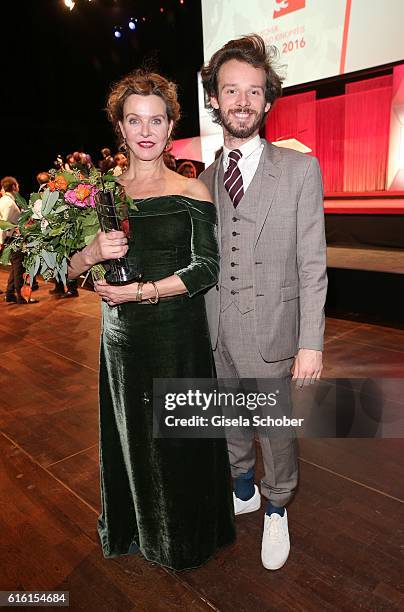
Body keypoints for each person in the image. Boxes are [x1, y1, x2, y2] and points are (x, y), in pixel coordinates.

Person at [67, 69, 235, 570]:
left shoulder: (193, 191)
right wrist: (90, 252)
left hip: (178, 334)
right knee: (134, 436)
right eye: (134, 120)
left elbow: (206, 268)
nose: (145, 130)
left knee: (179, 441)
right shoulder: (99, 196)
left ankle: (183, 536)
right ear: (120, 126)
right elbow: (68, 271)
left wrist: (139, 292)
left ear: (170, 126)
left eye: (156, 120)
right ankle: (138, 527)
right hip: (121, 343)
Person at [200, 35, 327, 570]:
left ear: (268, 101)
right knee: (230, 417)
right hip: (215, 330)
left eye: (254, 91)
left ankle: (277, 506)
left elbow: (312, 263)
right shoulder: (202, 183)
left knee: (274, 431)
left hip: (274, 330)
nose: (243, 101)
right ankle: (244, 486)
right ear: (215, 99)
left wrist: (311, 343)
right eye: (232, 90)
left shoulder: (299, 170)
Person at [0, 176, 38, 304]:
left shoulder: (6, 200)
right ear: (14, 186)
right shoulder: (9, 202)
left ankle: (10, 294)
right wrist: (1, 242)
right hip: (13, 239)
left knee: (15, 267)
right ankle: (21, 297)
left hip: (11, 238)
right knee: (19, 267)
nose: (19, 187)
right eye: (17, 185)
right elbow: (3, 224)